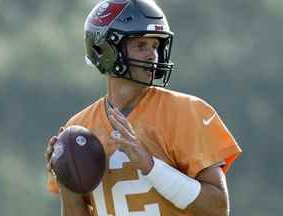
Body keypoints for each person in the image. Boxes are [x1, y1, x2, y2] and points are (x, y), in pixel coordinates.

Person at [44, 0, 242, 215]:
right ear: (106, 49)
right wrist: (67, 183)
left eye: (155, 46)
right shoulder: (79, 127)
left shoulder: (186, 112)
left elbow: (218, 208)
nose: (152, 55)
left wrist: (151, 167)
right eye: (140, 45)